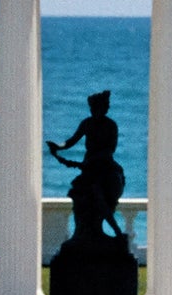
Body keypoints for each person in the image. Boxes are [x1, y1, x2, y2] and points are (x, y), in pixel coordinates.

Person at [46, 89, 126, 239]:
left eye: (97, 108)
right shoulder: (87, 123)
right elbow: (71, 141)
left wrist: (92, 161)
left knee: (99, 194)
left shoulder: (111, 126)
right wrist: (58, 146)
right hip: (89, 166)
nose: (94, 112)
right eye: (92, 109)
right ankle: (82, 231)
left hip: (103, 165)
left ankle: (116, 231)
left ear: (104, 108)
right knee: (80, 196)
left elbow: (110, 149)